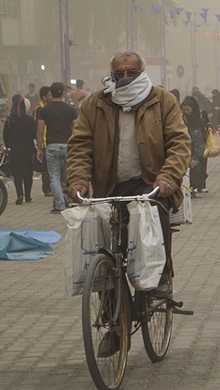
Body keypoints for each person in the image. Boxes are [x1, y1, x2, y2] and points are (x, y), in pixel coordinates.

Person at [67, 51, 191, 300]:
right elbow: (80, 145)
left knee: (155, 218)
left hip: (150, 183)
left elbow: (179, 142)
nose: (125, 77)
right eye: (119, 73)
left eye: (132, 73)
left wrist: (168, 176)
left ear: (142, 73)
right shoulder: (95, 103)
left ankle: (161, 278)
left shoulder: (162, 100)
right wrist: (78, 179)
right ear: (111, 75)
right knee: (105, 253)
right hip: (108, 186)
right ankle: (112, 318)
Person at [37, 82, 77, 212]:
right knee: (71, 174)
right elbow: (77, 128)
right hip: (68, 146)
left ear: (50, 93)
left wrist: (39, 149)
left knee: (54, 177)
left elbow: (40, 131)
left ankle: (59, 205)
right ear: (63, 93)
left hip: (52, 146)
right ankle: (73, 201)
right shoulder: (70, 109)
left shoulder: (44, 110)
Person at [3, 95, 36, 205]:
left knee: (17, 174)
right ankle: (28, 196)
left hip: (15, 150)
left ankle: (19, 196)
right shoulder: (29, 119)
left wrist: (9, 147)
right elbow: (34, 134)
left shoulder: (9, 121)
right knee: (28, 173)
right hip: (28, 149)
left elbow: (5, 136)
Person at [181, 96, 211, 193]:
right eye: (185, 110)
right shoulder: (182, 117)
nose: (187, 112)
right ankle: (193, 185)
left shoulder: (202, 114)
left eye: (188, 109)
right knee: (193, 164)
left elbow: (208, 123)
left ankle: (202, 185)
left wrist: (209, 128)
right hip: (190, 143)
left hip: (201, 142)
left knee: (203, 163)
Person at [33, 86, 53, 197]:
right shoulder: (39, 109)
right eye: (49, 95)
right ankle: (46, 189)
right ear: (44, 97)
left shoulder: (51, 108)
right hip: (44, 142)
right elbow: (38, 128)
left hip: (52, 140)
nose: (51, 96)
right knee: (46, 168)